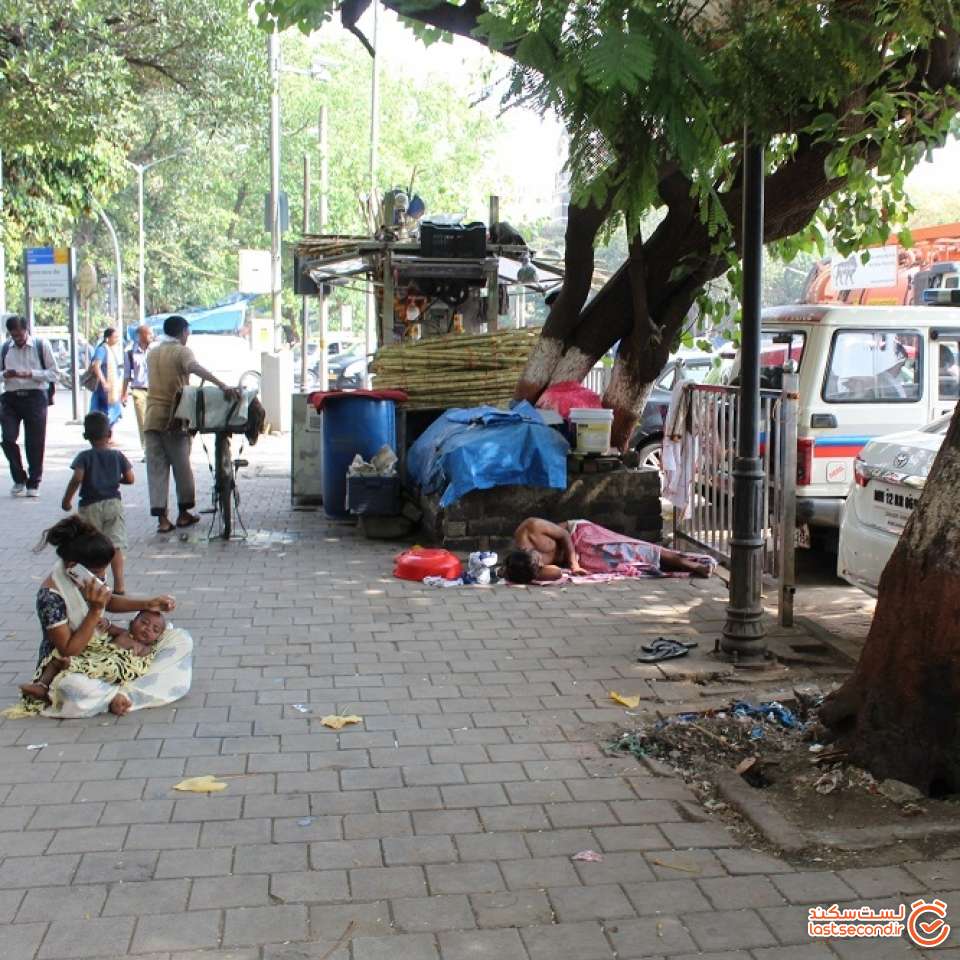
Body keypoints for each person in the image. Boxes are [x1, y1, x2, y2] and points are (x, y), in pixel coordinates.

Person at [18, 516, 190, 718]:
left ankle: (116, 694)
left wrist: (147, 603)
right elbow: (68, 649)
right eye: (97, 571)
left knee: (179, 639)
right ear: (73, 567)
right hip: (68, 662)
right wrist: (94, 611)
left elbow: (107, 600)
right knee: (72, 687)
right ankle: (120, 695)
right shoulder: (50, 597)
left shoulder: (89, 576)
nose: (101, 576)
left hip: (107, 650)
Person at [144, 315, 240, 534]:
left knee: (156, 470)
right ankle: (184, 514)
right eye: (188, 332)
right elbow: (194, 367)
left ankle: (162, 520)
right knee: (182, 467)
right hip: (174, 419)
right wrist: (222, 385)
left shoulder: (153, 352)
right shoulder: (181, 351)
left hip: (151, 417)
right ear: (184, 331)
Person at [504, 517, 714, 583]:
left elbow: (565, 535)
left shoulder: (530, 528)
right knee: (625, 565)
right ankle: (677, 566)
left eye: (539, 562)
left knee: (629, 550)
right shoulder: (526, 569)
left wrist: (573, 563)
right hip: (578, 558)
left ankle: (687, 563)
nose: (542, 564)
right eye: (539, 568)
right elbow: (555, 573)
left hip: (580, 535)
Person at [19, 610, 166, 703]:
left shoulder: (146, 648)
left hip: (113, 664)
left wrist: (136, 653)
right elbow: (109, 628)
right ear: (132, 623)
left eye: (155, 629)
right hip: (99, 655)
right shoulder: (123, 633)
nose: (148, 628)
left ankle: (70, 667)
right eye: (144, 622)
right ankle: (42, 685)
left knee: (108, 666)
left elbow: (136, 666)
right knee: (59, 654)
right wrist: (106, 623)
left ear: (158, 637)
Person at [61, 412, 134, 595]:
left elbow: (77, 478)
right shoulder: (117, 455)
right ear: (109, 433)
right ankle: (120, 585)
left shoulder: (84, 457)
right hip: (113, 504)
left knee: (91, 544)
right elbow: (131, 478)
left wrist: (67, 500)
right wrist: (116, 481)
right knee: (114, 544)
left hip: (90, 505)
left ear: (86, 436)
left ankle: (94, 582)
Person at [1, 315, 57, 498]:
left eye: (20, 334)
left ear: (26, 330)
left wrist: (30, 374)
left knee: (34, 441)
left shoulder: (41, 346)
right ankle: (19, 477)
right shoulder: (4, 349)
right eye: (14, 335)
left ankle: (34, 481)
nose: (18, 339)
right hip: (11, 397)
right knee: (8, 438)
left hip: (35, 396)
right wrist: (5, 375)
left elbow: (54, 373)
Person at [122, 323, 154, 456]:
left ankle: (155, 449)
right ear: (141, 336)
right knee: (143, 421)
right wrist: (123, 393)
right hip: (138, 390)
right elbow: (126, 375)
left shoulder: (155, 351)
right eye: (149, 334)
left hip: (154, 390)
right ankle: (147, 450)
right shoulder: (130, 353)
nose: (152, 336)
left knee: (154, 420)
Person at [89, 327, 123, 425]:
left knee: (112, 411)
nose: (117, 340)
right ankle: (104, 434)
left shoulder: (111, 349)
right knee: (104, 412)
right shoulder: (102, 349)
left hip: (112, 387)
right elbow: (96, 366)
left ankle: (109, 434)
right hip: (104, 388)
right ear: (108, 338)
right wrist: (104, 382)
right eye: (115, 337)